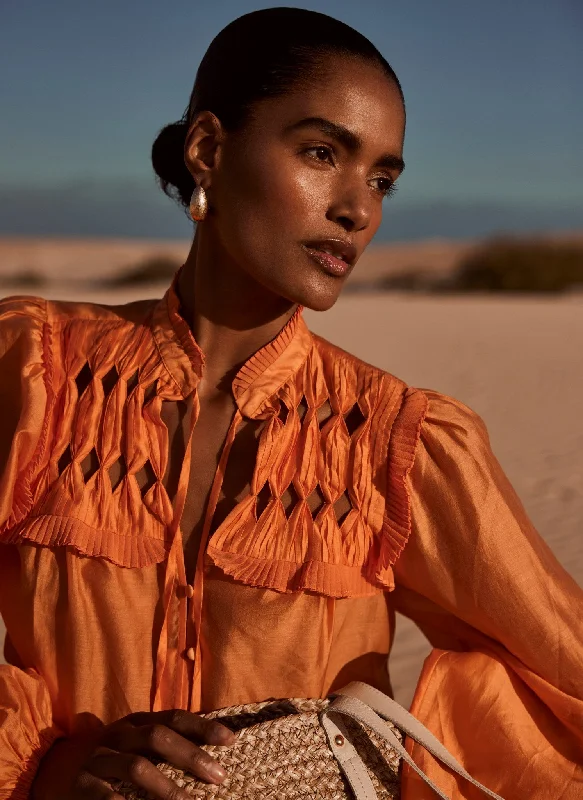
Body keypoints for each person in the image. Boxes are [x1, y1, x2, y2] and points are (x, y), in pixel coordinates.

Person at [0, 8, 581, 799]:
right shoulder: (38, 373)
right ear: (208, 149)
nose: (359, 209)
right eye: (321, 153)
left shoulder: (394, 440)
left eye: (381, 179)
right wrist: (47, 769)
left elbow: (561, 666)